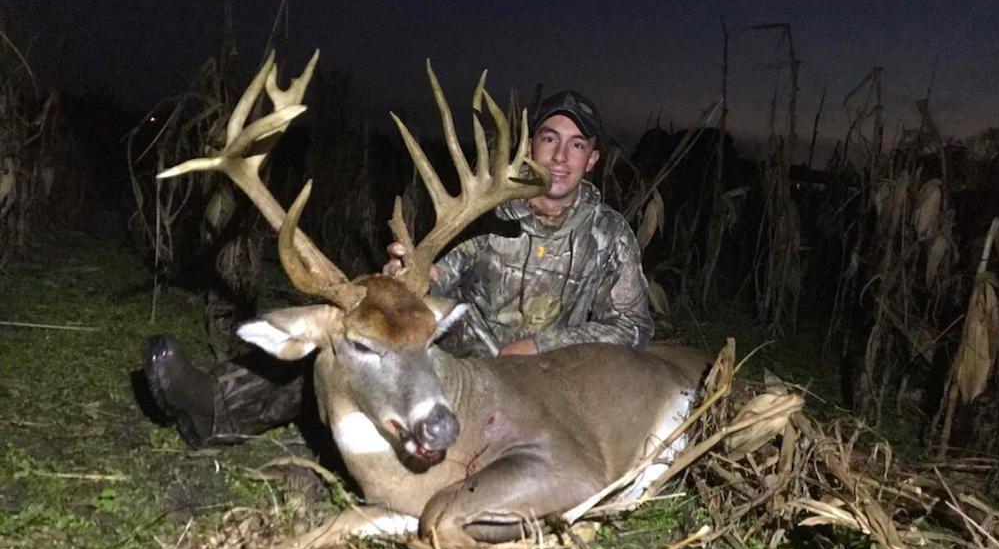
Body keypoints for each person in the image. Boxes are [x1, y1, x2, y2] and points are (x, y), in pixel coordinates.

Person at [144, 90, 654, 448]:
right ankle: (216, 402)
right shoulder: (486, 218)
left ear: (592, 161)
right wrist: (406, 280)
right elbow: (437, 282)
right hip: (469, 352)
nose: (560, 156)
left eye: (577, 145)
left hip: (549, 381)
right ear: (530, 147)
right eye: (549, 139)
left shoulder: (609, 236)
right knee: (353, 336)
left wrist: (538, 346)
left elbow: (633, 327)